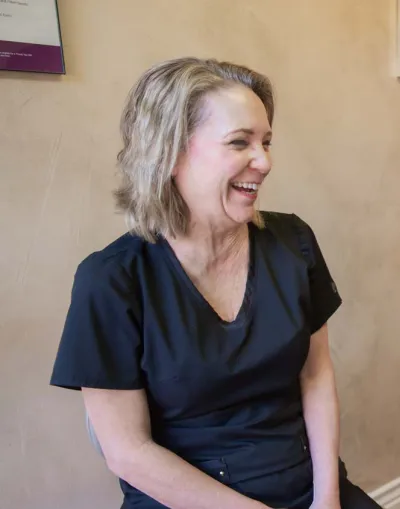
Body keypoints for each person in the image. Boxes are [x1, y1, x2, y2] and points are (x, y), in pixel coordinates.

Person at [49, 57, 381, 509]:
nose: (264, 162)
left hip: (306, 485)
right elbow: (127, 452)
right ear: (169, 154)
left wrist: (327, 497)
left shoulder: (293, 243)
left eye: (266, 142)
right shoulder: (112, 280)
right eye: (239, 142)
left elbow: (316, 374)